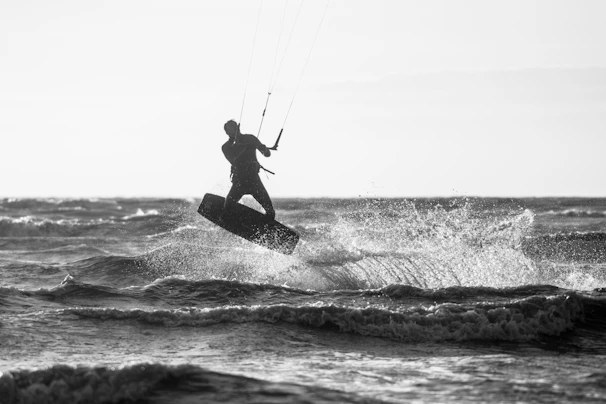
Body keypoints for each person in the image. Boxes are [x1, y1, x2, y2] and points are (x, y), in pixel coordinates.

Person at [221, 119, 276, 220]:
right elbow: (234, 162)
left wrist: (264, 149)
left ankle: (264, 231)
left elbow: (267, 154)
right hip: (240, 181)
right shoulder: (226, 147)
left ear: (238, 128)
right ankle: (237, 221)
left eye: (235, 128)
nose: (233, 131)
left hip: (254, 180)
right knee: (227, 207)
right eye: (230, 130)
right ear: (227, 132)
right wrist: (245, 149)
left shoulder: (250, 138)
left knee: (271, 211)